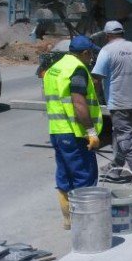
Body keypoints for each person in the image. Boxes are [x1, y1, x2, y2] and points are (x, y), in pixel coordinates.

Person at [43, 35, 103, 231]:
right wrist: (91, 132)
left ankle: (68, 220)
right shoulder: (77, 69)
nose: (91, 58)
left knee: (64, 176)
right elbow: (78, 103)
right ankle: (85, 224)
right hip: (75, 134)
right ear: (85, 53)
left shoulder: (55, 68)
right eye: (91, 54)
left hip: (57, 131)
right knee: (84, 177)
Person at [92, 20, 132, 190]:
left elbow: (97, 77)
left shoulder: (107, 51)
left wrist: (91, 99)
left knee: (126, 139)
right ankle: (115, 169)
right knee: (119, 132)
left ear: (107, 35)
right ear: (122, 33)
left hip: (120, 103)